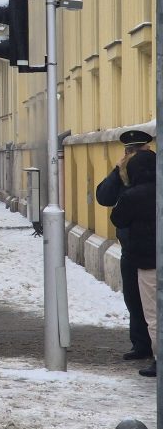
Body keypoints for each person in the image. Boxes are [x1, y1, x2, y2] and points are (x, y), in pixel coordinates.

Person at [97, 129, 156, 372]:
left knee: (152, 304)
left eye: (136, 150)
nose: (132, 155)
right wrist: (116, 172)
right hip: (131, 247)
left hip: (150, 248)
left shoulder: (152, 170)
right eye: (128, 151)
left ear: (146, 149)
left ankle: (154, 349)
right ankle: (141, 344)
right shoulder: (123, 175)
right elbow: (103, 197)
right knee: (133, 298)